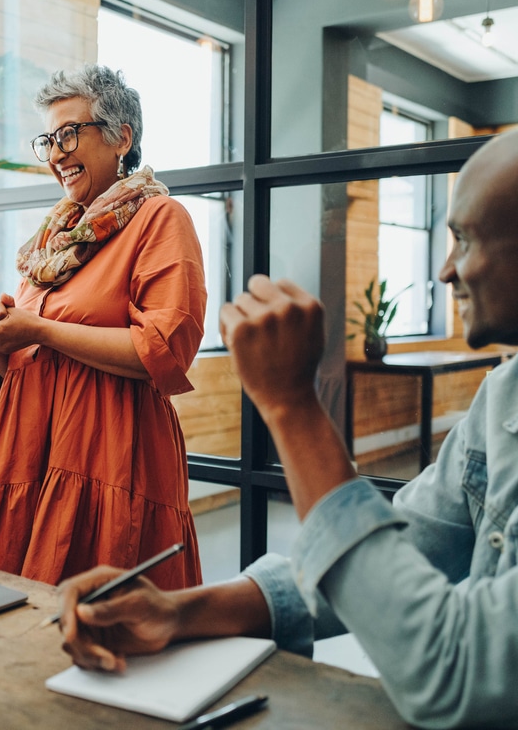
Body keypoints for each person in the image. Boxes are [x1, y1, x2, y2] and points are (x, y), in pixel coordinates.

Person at [54, 127, 518, 730]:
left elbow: (456, 670)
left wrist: (292, 408)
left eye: (464, 238)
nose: (445, 269)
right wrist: (179, 611)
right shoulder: (502, 394)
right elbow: (399, 556)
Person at [0, 64, 206, 588]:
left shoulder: (160, 219)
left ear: (122, 137)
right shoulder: (54, 239)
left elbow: (161, 350)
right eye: (48, 139)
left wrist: (39, 330)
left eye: (70, 133)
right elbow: (22, 365)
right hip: (29, 456)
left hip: (110, 459)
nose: (55, 154)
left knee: (106, 627)